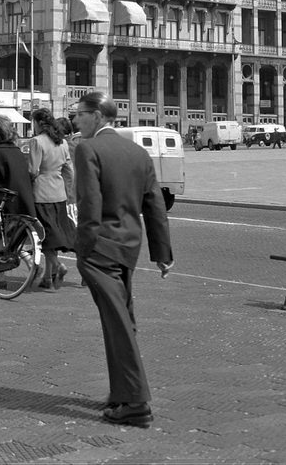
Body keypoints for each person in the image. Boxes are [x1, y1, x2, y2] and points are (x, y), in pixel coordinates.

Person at [72, 91, 173, 427]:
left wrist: (82, 250)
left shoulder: (88, 149)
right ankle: (122, 391)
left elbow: (89, 205)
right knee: (120, 320)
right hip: (128, 248)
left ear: (98, 115)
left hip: (100, 248)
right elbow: (155, 205)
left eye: (80, 114)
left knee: (117, 324)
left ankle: (135, 401)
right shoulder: (138, 152)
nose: (75, 120)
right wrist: (162, 253)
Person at [28, 108, 76, 290]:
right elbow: (69, 169)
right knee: (54, 237)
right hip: (59, 193)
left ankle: (58, 266)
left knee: (44, 237)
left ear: (39, 123)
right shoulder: (62, 142)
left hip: (42, 193)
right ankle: (48, 278)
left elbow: (33, 170)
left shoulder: (37, 142)